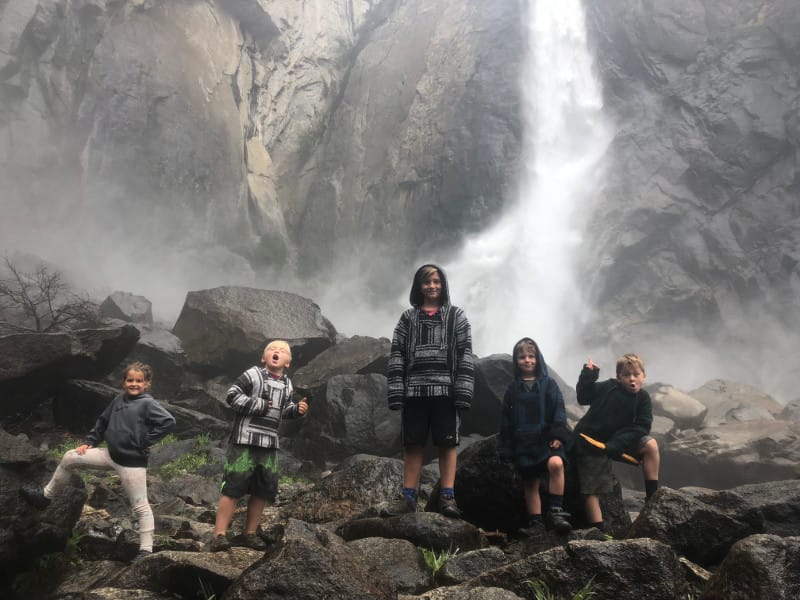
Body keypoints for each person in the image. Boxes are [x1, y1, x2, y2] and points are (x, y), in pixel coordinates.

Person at [20, 362, 176, 562]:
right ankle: (45, 497)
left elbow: (168, 421)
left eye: (139, 381)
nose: (134, 384)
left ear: (147, 384)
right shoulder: (118, 400)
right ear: (124, 382)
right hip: (109, 454)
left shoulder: (147, 403)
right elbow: (102, 422)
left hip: (131, 463)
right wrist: (90, 442)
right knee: (69, 457)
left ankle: (146, 550)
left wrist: (145, 441)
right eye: (130, 380)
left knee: (140, 506)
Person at [384, 264, 474, 518]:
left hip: (445, 391)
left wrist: (464, 391)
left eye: (436, 281)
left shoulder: (457, 316)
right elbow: (397, 355)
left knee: (448, 444)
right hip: (414, 392)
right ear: (418, 287)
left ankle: (447, 497)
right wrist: (396, 391)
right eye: (426, 282)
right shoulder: (407, 318)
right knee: (412, 444)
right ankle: (408, 497)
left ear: (443, 285)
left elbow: (464, 353)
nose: (432, 286)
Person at [210, 340, 308, 551]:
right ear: (263, 358)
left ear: (288, 362)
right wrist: (258, 405)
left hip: (269, 443)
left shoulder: (287, 384)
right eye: (272, 350)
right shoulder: (252, 375)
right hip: (245, 440)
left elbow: (284, 410)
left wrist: (296, 410)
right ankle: (219, 534)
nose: (277, 352)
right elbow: (232, 395)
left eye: (282, 351)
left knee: (263, 489)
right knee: (233, 486)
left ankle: (250, 533)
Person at [572, 353, 660, 533]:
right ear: (619, 378)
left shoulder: (643, 398)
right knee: (592, 486)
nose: (632, 379)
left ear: (644, 376)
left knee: (651, 445)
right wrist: (588, 374)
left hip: (620, 441)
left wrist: (615, 446)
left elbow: (641, 427)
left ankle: (652, 498)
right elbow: (583, 397)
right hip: (592, 440)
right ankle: (599, 531)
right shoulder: (608, 388)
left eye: (636, 375)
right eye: (627, 375)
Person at [497, 338, 572, 536]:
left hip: (546, 438)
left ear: (538, 359)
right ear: (516, 361)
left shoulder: (549, 385)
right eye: (522, 357)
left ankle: (556, 511)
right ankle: (536, 522)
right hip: (524, 440)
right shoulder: (512, 390)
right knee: (530, 482)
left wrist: (558, 433)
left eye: (531, 356)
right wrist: (506, 449)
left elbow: (559, 409)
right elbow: (506, 421)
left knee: (556, 464)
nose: (527, 360)